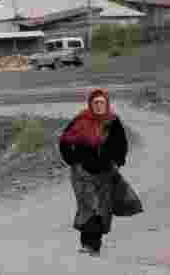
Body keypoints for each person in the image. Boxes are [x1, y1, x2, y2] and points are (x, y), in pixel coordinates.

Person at [59, 87, 128, 257]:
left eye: (101, 103)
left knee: (101, 209)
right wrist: (71, 160)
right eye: (95, 103)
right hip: (82, 172)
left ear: (106, 103)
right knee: (88, 206)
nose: (98, 106)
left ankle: (94, 245)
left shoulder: (113, 121)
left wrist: (118, 161)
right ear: (90, 103)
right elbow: (64, 141)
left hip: (105, 172)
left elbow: (121, 144)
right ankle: (87, 244)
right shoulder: (81, 119)